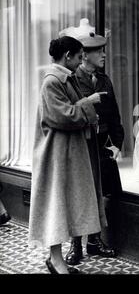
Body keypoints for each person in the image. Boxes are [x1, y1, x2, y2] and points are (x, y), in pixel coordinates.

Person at [28, 36, 108, 274]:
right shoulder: (53, 81)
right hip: (56, 157)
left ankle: (57, 260)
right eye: (79, 55)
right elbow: (62, 116)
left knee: (62, 206)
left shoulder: (63, 79)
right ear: (68, 56)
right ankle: (55, 261)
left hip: (66, 156)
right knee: (57, 205)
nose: (82, 59)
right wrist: (89, 102)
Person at [64, 28, 123, 265]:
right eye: (99, 51)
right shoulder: (72, 80)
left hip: (104, 146)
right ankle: (75, 245)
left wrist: (118, 144)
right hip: (83, 145)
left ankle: (95, 242)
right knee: (80, 195)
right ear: (85, 55)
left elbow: (115, 115)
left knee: (106, 194)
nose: (104, 55)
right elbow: (71, 114)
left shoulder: (104, 79)